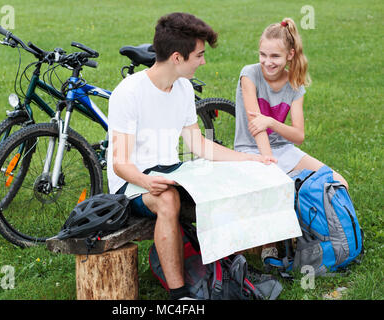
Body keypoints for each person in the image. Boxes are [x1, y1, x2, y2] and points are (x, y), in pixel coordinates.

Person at [107, 12, 276, 300]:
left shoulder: (183, 88)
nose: (203, 61)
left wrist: (250, 160)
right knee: (167, 199)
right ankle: (180, 294)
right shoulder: (128, 93)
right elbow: (120, 164)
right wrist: (148, 182)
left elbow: (199, 144)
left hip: (172, 171)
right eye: (198, 55)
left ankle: (233, 270)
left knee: (226, 182)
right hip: (133, 183)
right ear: (176, 58)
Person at [233, 17, 349, 263]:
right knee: (275, 186)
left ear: (289, 55)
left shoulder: (295, 85)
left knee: (339, 182)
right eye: (263, 54)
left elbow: (298, 135)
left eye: (275, 56)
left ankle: (325, 236)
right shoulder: (249, 74)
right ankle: (269, 245)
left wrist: (272, 122)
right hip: (251, 149)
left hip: (283, 149)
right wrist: (268, 161)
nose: (267, 61)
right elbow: (257, 128)